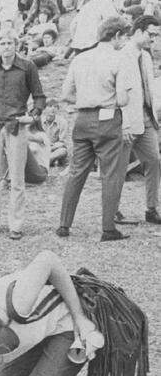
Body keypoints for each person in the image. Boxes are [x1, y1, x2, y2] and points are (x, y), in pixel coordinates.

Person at [57, 17, 132, 241]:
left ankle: (64, 225)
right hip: (107, 119)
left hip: (82, 118)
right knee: (111, 174)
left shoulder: (80, 58)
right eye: (124, 36)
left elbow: (66, 95)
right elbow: (122, 98)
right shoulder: (119, 59)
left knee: (76, 173)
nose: (125, 40)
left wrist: (86, 99)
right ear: (116, 35)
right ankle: (108, 228)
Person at [0, 32, 46, 240]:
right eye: (2, 43)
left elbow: (39, 96)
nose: (6, 47)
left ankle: (15, 225)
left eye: (10, 43)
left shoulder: (27, 67)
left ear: (16, 45)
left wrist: (32, 117)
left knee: (17, 178)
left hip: (16, 126)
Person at [116, 15, 161, 225]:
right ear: (138, 31)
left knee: (154, 160)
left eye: (156, 35)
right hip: (127, 120)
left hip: (147, 117)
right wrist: (123, 122)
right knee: (119, 166)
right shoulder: (121, 55)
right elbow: (119, 92)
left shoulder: (146, 57)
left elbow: (150, 88)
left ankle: (151, 208)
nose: (154, 39)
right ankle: (113, 209)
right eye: (151, 34)